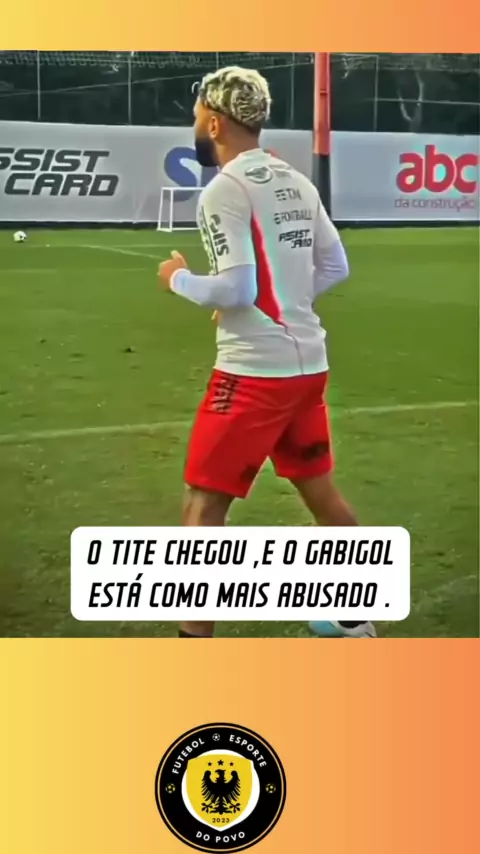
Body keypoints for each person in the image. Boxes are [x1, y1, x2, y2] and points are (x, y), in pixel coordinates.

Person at [158, 66, 376, 640]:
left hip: (255, 374)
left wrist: (177, 279)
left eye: (198, 117)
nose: (195, 126)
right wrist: (282, 301)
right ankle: (357, 621)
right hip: (307, 369)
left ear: (214, 122)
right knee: (319, 489)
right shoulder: (295, 179)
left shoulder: (224, 189)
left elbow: (236, 290)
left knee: (203, 507)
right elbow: (335, 266)